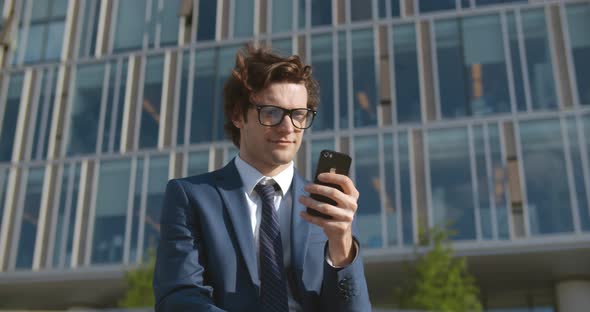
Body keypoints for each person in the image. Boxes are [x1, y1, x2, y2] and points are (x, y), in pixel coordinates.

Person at [153, 44, 371, 311]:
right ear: (237, 115)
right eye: (271, 112)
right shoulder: (191, 196)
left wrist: (342, 245)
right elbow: (178, 297)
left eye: (299, 115)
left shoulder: (329, 203)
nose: (288, 127)